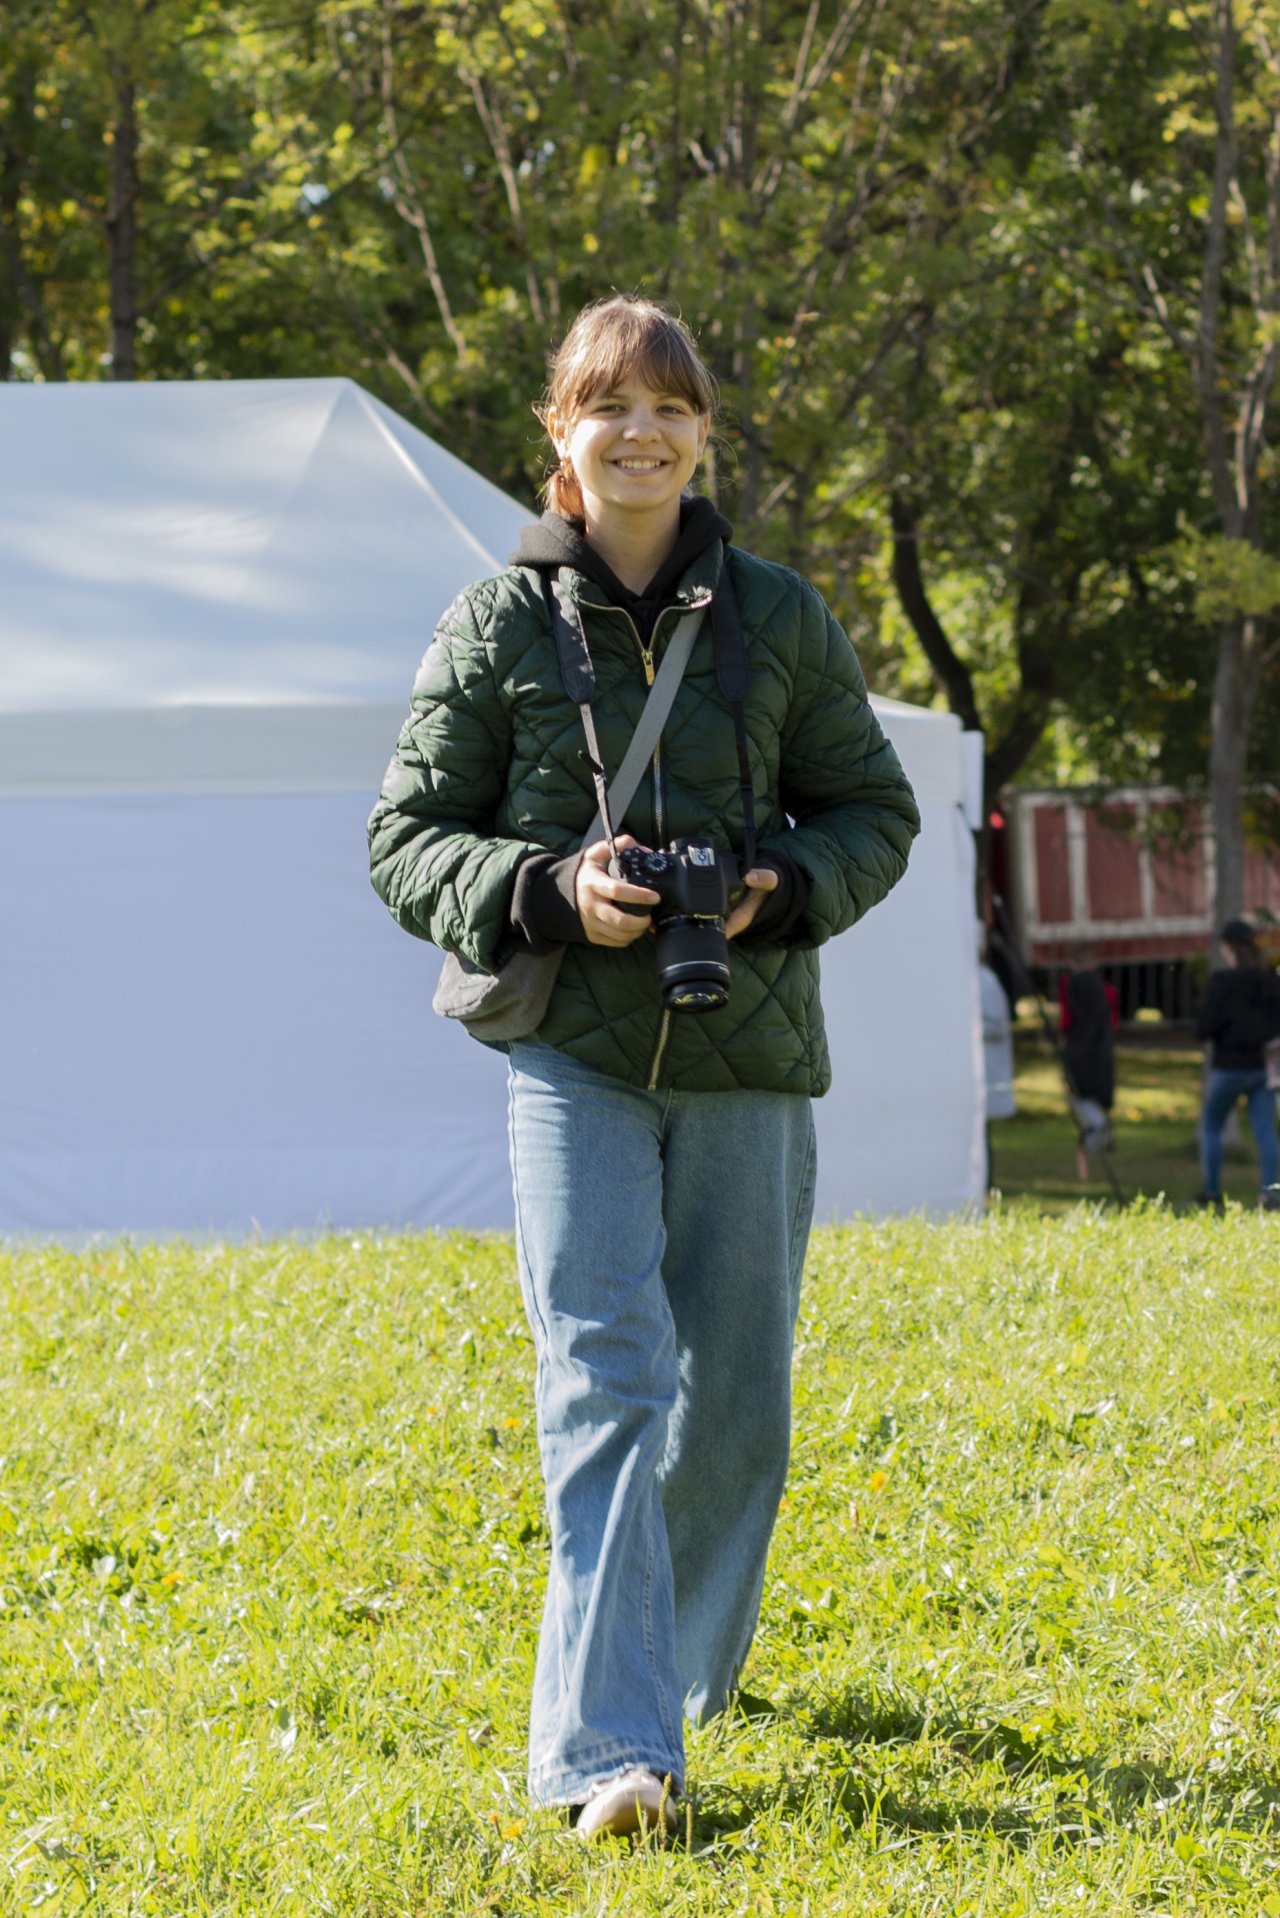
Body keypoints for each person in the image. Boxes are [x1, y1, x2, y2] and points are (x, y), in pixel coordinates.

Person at [368, 295, 920, 1839]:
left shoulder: (779, 615)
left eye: (673, 407)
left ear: (704, 436)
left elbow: (875, 810)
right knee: (605, 1377)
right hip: (573, 1053)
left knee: (735, 1405)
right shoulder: (494, 623)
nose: (644, 433)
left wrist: (779, 883)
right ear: (561, 430)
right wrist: (550, 887)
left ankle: (674, 1672)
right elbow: (404, 838)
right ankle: (616, 1748)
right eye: (613, 405)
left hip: (750, 1052)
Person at [1195, 917, 1280, 1211]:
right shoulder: (1270, 981)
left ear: (1227, 948)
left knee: (1211, 1125)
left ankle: (1212, 1191)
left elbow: (1205, 1027)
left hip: (1228, 1066)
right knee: (1265, 1130)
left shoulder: (1222, 982)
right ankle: (1269, 1193)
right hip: (1260, 1067)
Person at [1059, 959, 1118, 1180]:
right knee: (1086, 1100)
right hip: (1098, 1058)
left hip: (1079, 1056)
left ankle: (1097, 1131)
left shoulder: (1074, 993)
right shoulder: (1103, 995)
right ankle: (1095, 1134)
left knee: (1080, 1100)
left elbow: (1065, 1022)